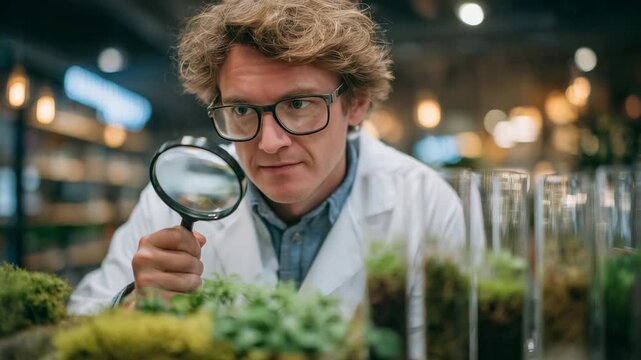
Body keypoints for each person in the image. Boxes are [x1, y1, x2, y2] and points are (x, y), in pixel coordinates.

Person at [68, 0, 464, 341]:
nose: (270, 142)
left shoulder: (425, 204)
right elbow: (80, 321)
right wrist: (135, 306)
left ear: (356, 103)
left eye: (297, 105)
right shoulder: (174, 197)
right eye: (241, 110)